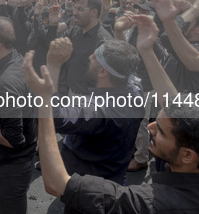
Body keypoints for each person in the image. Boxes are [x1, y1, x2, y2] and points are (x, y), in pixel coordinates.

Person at [25, 14, 199, 213]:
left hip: (91, 182)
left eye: (160, 131)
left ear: (189, 155)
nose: (150, 126)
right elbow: (171, 103)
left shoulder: (148, 203)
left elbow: (57, 181)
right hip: (114, 171)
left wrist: (52, 67)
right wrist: (136, 43)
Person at [25, 38, 144, 186]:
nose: (89, 57)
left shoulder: (99, 110)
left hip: (91, 190)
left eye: (94, 57)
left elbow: (54, 118)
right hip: (115, 178)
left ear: (102, 71)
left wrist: (54, 65)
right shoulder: (135, 91)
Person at [0, 15, 37, 214]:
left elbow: (13, 138)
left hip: (11, 165)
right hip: (14, 162)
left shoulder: (7, 81)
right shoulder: (14, 62)